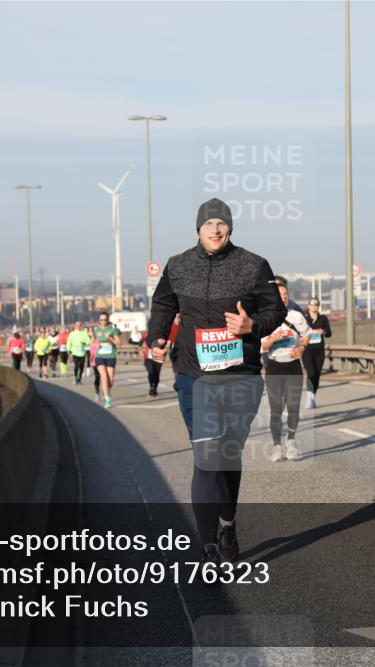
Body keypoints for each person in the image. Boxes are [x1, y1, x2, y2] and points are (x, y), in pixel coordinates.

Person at [148, 197, 286, 571]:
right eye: (208, 223)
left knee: (227, 454)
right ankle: (207, 548)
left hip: (240, 376)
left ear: (230, 228)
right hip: (195, 376)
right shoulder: (179, 265)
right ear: (198, 228)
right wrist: (157, 337)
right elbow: (163, 306)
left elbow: (276, 311)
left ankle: (227, 521)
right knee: (207, 457)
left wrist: (252, 325)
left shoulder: (253, 265)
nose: (215, 229)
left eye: (221, 223)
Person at [261, 284, 311, 462]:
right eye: (279, 294)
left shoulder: (296, 316)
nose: (283, 297)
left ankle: (291, 441)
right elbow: (262, 346)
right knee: (276, 409)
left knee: (293, 406)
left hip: (293, 367)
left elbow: (307, 335)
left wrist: (302, 348)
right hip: (274, 367)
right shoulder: (265, 318)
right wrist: (273, 338)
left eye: (285, 294)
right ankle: (277, 446)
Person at [302, 298, 332, 408]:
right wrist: (310, 332)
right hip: (307, 350)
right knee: (311, 373)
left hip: (319, 351)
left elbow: (329, 333)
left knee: (317, 375)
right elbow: (299, 332)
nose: (314, 307)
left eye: (316, 305)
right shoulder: (304, 319)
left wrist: (323, 331)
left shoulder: (323, 318)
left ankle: (312, 396)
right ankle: (309, 397)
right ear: (309, 306)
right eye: (312, 305)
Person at [92, 312, 120, 407]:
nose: (103, 321)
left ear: (107, 320)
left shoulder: (112, 330)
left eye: (105, 319)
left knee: (110, 380)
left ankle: (107, 391)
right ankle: (106, 397)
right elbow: (92, 342)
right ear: (99, 320)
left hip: (110, 356)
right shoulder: (96, 330)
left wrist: (111, 339)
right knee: (103, 376)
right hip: (100, 356)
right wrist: (96, 345)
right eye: (101, 320)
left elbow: (119, 343)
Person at [141, 330, 163, 397]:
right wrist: (140, 350)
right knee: (151, 372)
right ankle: (151, 387)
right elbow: (140, 342)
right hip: (148, 358)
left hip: (158, 357)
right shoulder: (147, 333)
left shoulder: (162, 333)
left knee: (156, 374)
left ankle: (154, 389)